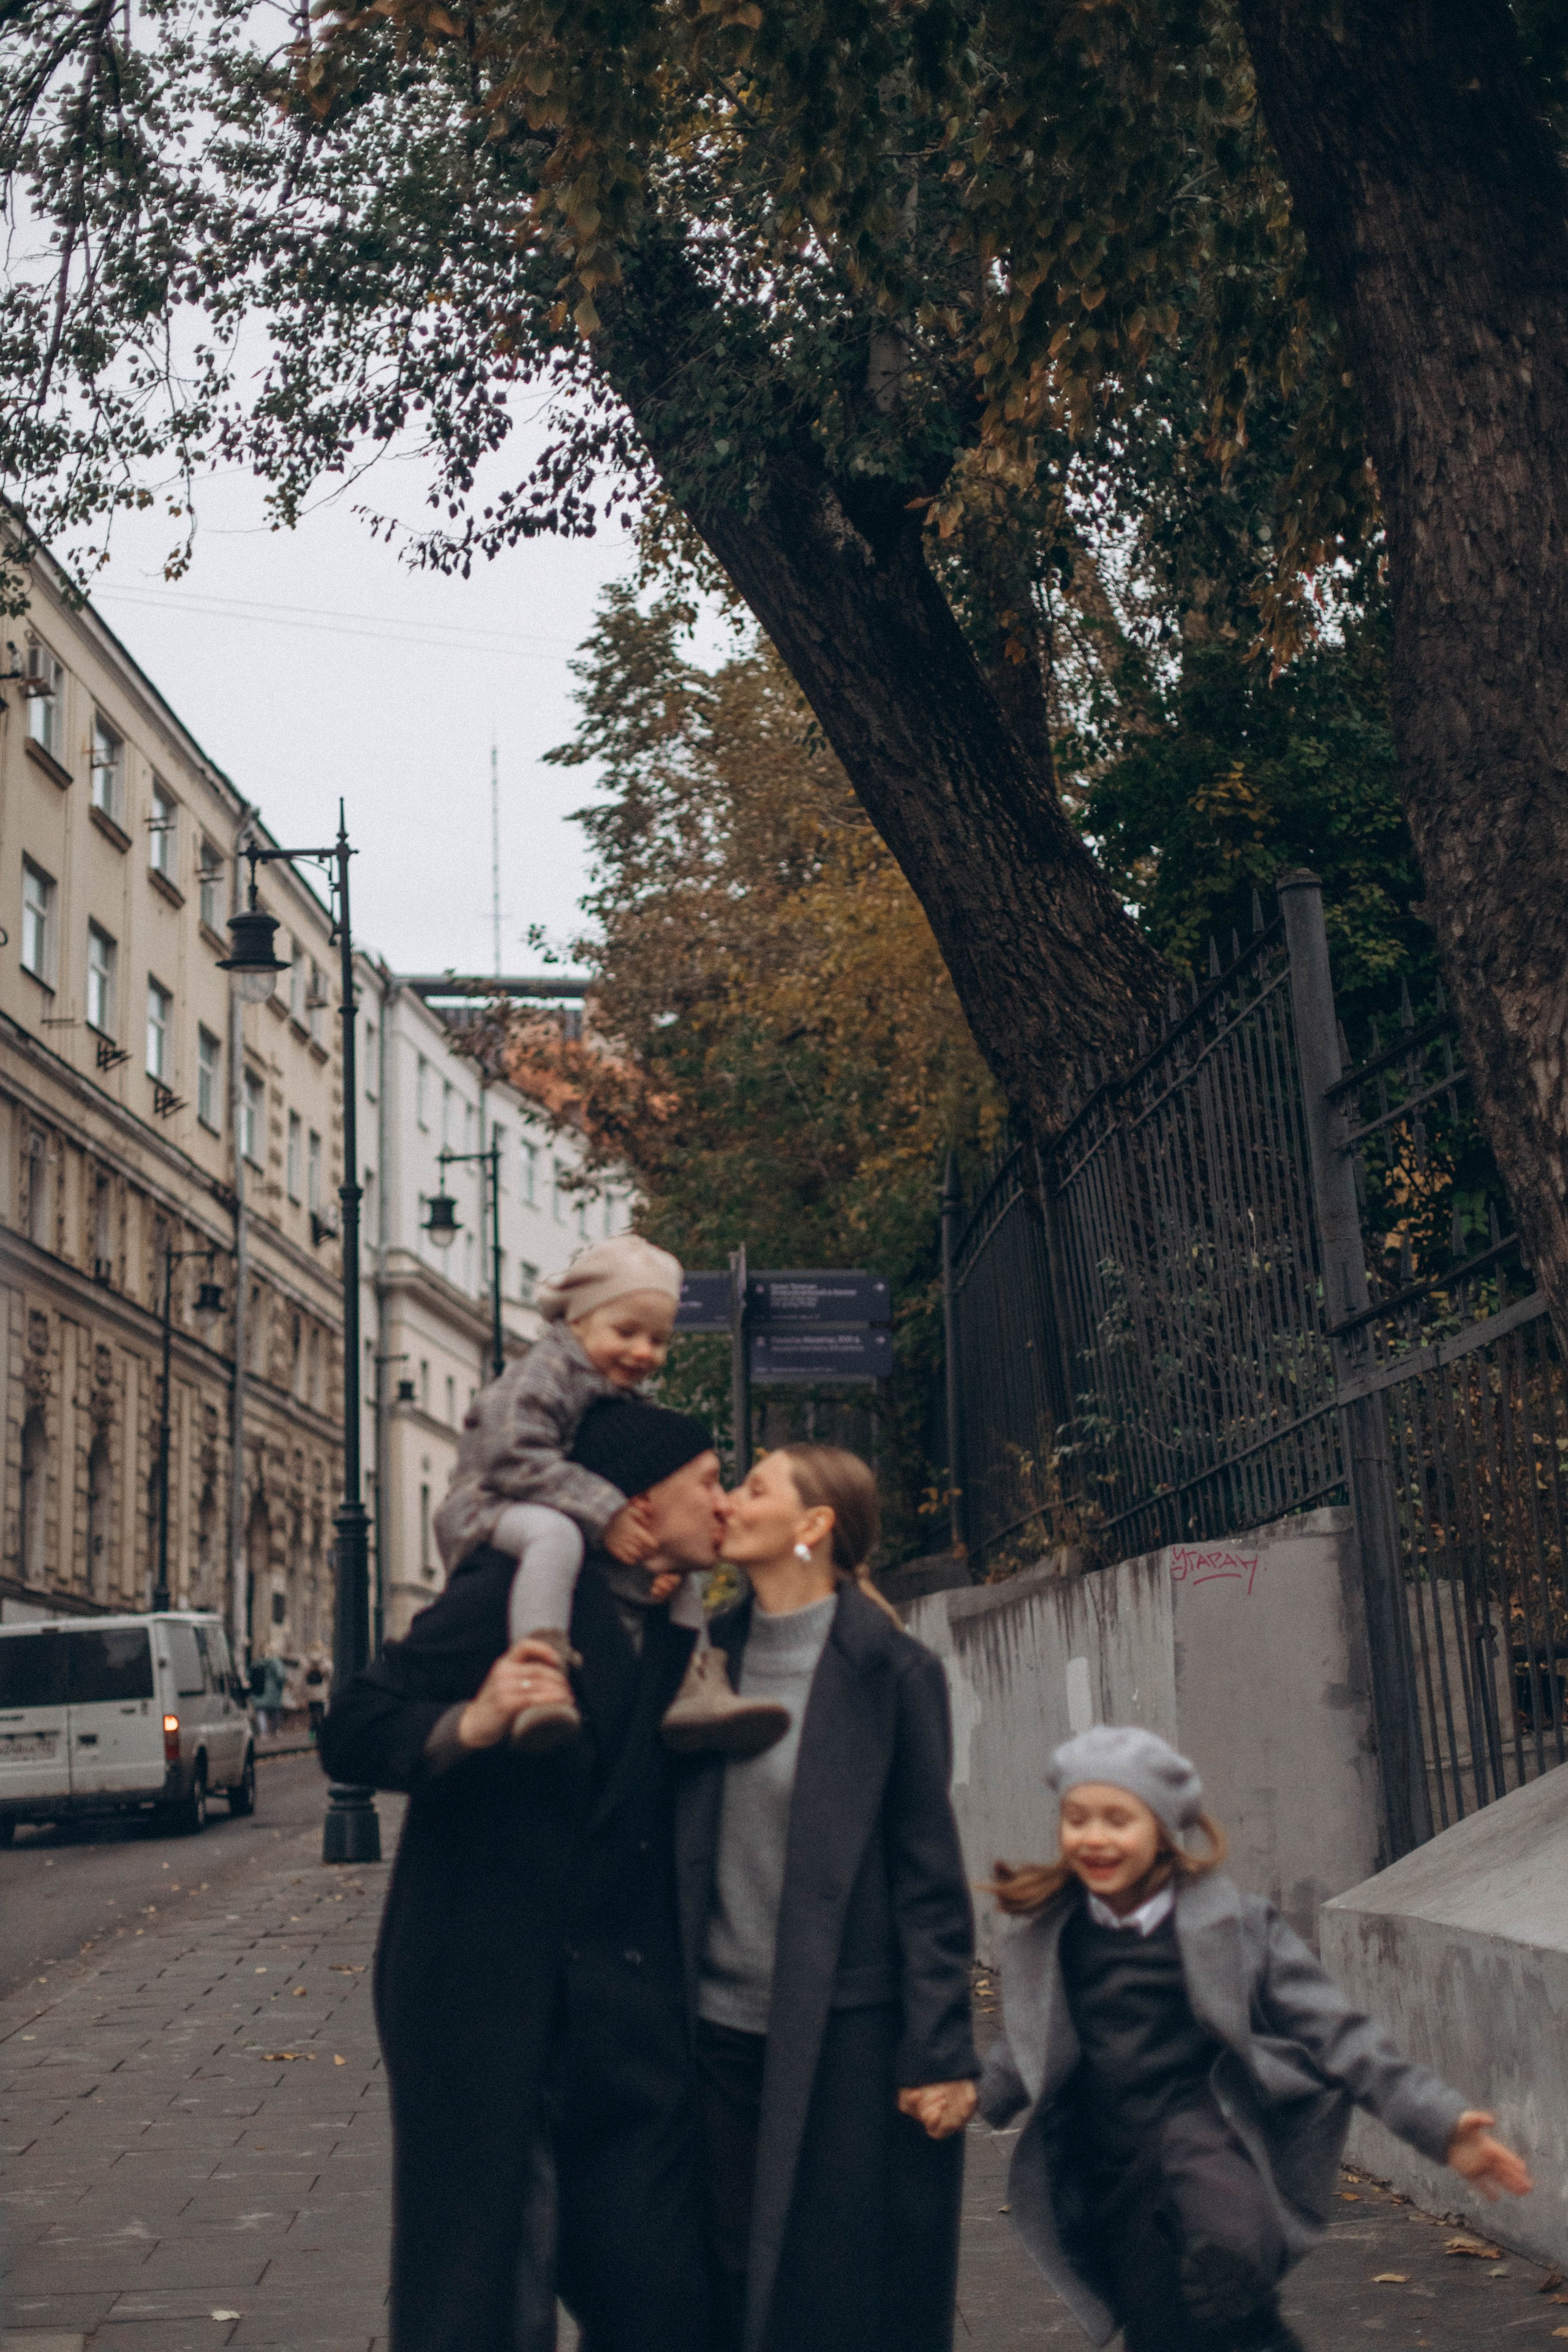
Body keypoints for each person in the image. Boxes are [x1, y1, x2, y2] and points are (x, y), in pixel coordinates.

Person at [318, 1397, 726, 2352]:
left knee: (660, 2290)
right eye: (707, 1482)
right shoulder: (513, 1592)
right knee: (492, 2295)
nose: (726, 1502)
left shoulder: (686, 1633)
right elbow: (356, 1724)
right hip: (483, 2003)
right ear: (634, 1503)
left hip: (623, 2021)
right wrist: (470, 1720)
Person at [979, 1724, 1534, 2352]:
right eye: (1077, 1819)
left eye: (1117, 1819)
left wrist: (1439, 2124)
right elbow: (1025, 2048)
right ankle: (1252, 2325)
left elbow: (1337, 2032)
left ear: (1162, 1831)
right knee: (1168, 2327)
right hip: (1115, 2177)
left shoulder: (1233, 1927)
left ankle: (1236, 2281)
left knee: (1213, 2237)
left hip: (1212, 2146)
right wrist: (962, 2098)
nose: (1094, 1837)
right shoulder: (1059, 1937)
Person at [679, 1444, 980, 2352]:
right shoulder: (702, 1656)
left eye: (755, 1487)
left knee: (838, 2288)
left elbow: (930, 1879)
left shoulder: (890, 1672)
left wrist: (941, 2050)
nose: (730, 1501)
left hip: (847, 2035)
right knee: (716, 2277)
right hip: (710, 2034)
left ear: (812, 1527)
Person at [435, 1232, 785, 1757]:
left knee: (679, 1565)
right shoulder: (545, 1371)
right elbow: (510, 1453)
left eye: (658, 1340)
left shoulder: (607, 1382)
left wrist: (650, 1560)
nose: (643, 1352)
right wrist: (609, 1513)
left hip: (546, 1499)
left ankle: (697, 1687)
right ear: (576, 1322)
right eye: (626, 1332)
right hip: (488, 1501)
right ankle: (541, 1673)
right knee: (554, 1537)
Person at [254, 1649, 286, 1740]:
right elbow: (281, 1676)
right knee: (275, 1712)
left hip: (259, 1692)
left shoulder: (256, 1663)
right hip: (274, 1692)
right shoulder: (276, 1663)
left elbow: (249, 1676)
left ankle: (263, 1733)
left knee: (261, 1712)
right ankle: (276, 1730)